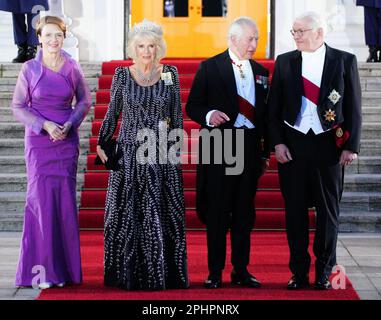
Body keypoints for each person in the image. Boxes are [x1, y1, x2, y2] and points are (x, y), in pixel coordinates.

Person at [268, 12, 362, 290]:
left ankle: (324, 271)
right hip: (294, 146)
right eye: (293, 32)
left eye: (301, 31)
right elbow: (273, 109)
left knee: (328, 212)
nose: (296, 36)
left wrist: (351, 146)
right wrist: (278, 143)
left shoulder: (344, 60)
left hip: (329, 146)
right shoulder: (285, 62)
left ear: (319, 33)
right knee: (295, 213)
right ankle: (298, 272)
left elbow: (354, 107)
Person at [96, 20, 189, 291]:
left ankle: (164, 273)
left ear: (159, 48)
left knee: (160, 212)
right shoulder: (122, 76)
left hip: (160, 152)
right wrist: (103, 142)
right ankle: (127, 274)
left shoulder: (170, 73)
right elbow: (113, 112)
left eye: (151, 46)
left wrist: (175, 150)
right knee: (129, 213)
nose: (147, 51)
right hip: (129, 153)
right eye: (141, 46)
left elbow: (176, 116)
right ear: (132, 49)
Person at [186, 16, 270, 289]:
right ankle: (214, 271)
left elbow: (266, 116)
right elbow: (193, 105)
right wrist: (210, 114)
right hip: (219, 146)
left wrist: (265, 151)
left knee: (245, 212)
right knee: (218, 212)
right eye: (250, 39)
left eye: (256, 39)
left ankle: (241, 270)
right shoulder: (210, 68)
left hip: (248, 147)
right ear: (233, 40)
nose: (255, 44)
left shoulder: (261, 71)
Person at [13, 16, 92, 289]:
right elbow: (18, 106)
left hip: (66, 141)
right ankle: (41, 272)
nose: (53, 40)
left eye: (57, 35)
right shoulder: (29, 69)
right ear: (39, 38)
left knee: (63, 204)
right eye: (48, 35)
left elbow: (84, 100)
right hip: (39, 142)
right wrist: (43, 124)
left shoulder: (72, 67)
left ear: (64, 36)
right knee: (40, 203)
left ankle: (65, 272)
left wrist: (71, 122)